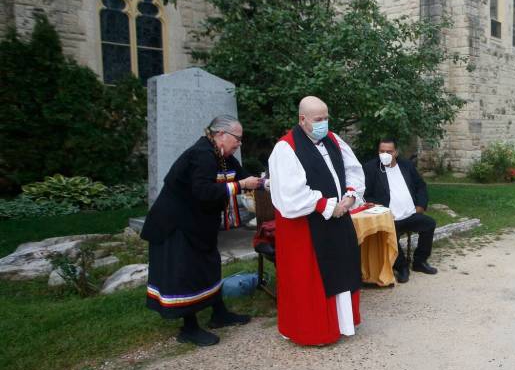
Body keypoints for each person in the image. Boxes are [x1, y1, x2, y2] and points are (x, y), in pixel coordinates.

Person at [142, 115, 262, 346]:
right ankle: (189, 328)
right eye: (237, 138)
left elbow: (244, 176)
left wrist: (265, 182)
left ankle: (219, 314)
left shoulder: (223, 157)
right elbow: (203, 192)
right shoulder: (202, 155)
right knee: (187, 273)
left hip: (198, 224)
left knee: (208, 266)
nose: (239, 143)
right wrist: (240, 186)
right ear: (220, 135)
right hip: (175, 224)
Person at [267, 96, 366, 346]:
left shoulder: (332, 139)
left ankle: (343, 323)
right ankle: (316, 332)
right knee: (311, 279)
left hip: (338, 217)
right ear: (303, 119)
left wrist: (351, 196)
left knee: (342, 267)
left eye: (326, 118)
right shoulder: (286, 148)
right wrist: (328, 206)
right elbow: (290, 195)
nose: (324, 123)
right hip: (307, 227)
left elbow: (353, 169)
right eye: (318, 119)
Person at [362, 137, 437, 284]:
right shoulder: (371, 168)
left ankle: (420, 262)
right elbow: (366, 194)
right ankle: (401, 267)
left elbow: (421, 186)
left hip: (411, 214)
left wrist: (420, 206)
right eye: (381, 151)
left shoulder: (406, 165)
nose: (385, 154)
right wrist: (382, 209)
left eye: (389, 151)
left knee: (429, 224)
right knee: (390, 235)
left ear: (396, 152)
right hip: (389, 217)